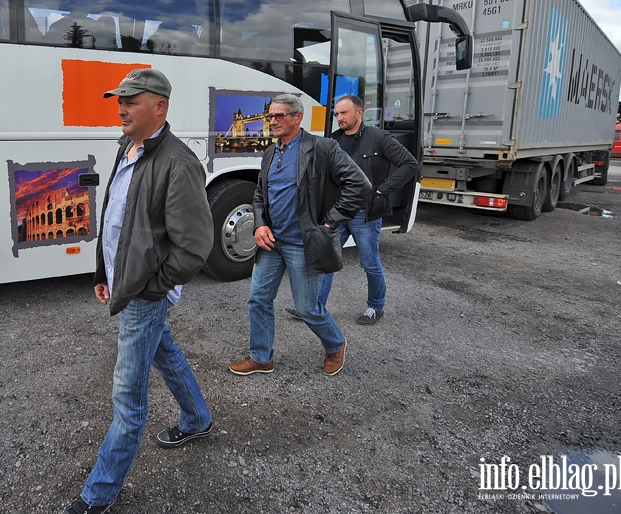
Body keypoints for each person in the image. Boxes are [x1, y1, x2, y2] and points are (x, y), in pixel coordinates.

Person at [63, 68, 214, 514]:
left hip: (143, 294)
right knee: (164, 351)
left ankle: (99, 493)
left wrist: (152, 288)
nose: (121, 107)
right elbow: (116, 217)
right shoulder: (127, 147)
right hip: (126, 285)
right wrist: (102, 270)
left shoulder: (179, 162)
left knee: (128, 399)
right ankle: (198, 419)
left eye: (131, 100)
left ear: (159, 106)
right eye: (119, 100)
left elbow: (196, 246)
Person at [229, 94, 371, 377]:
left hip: (302, 244)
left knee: (307, 308)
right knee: (258, 299)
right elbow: (260, 194)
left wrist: (331, 220)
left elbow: (359, 184)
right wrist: (259, 224)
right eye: (271, 116)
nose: (273, 121)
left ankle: (335, 344)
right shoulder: (271, 152)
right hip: (271, 243)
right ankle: (261, 358)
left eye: (280, 116)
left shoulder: (322, 148)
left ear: (297, 117)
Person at [287, 94, 418, 325]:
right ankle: (314, 308)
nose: (339, 118)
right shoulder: (333, 140)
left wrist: (382, 191)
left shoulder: (379, 138)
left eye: (343, 113)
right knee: (325, 260)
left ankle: (375, 307)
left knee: (369, 262)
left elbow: (410, 164)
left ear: (359, 112)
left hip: (364, 213)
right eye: (337, 114)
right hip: (338, 211)